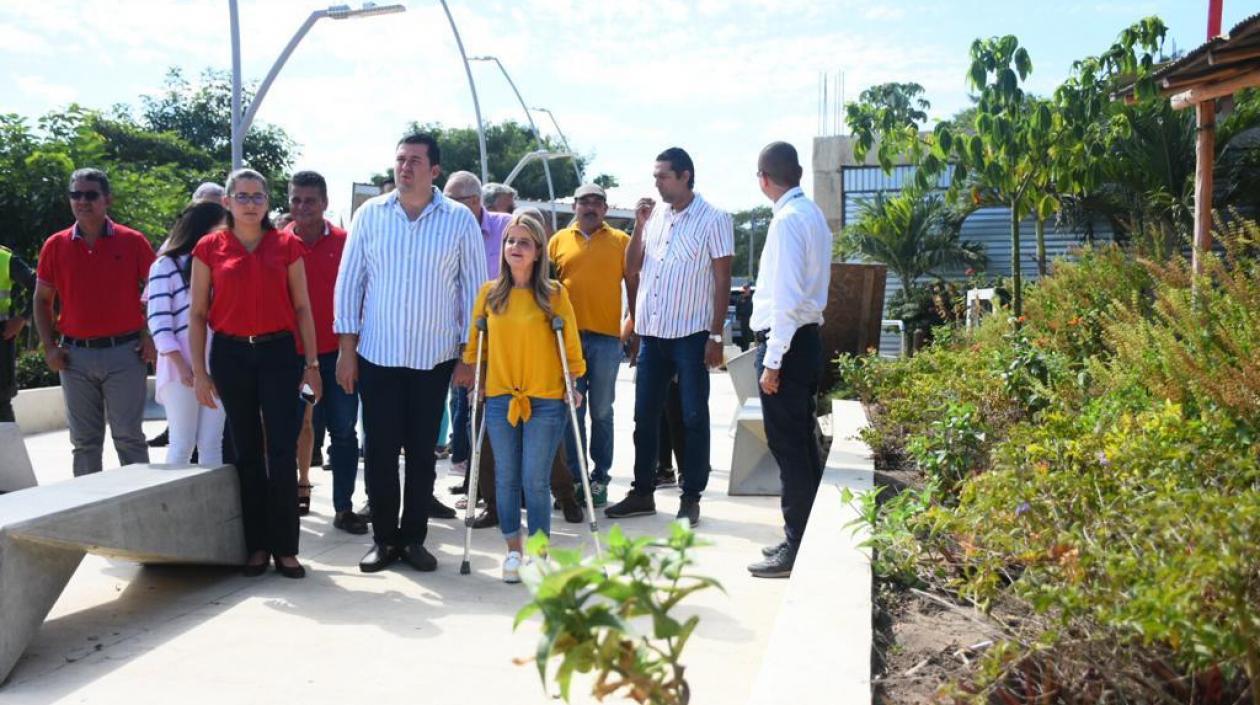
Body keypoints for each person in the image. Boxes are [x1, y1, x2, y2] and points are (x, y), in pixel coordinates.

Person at [334, 132, 486, 574]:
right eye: (400, 159)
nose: (405, 167)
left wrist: (469, 355)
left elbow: (474, 290)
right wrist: (346, 350)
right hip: (377, 354)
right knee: (379, 451)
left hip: (433, 358)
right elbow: (350, 284)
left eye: (415, 160)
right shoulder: (370, 216)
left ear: (434, 169)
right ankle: (384, 540)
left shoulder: (458, 219)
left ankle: (414, 538)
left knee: (422, 454)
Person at [189, 168, 323, 579]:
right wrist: (199, 371)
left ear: (267, 202)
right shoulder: (209, 247)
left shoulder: (286, 245)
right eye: (242, 196)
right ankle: (256, 546)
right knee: (245, 451)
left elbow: (303, 307)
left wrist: (313, 365)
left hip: (279, 353)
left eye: (257, 196)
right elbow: (197, 314)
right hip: (231, 355)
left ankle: (285, 548)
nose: (250, 203)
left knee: (281, 451)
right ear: (227, 202)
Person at [605, 147, 733, 527]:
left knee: (693, 415)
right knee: (644, 416)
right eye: (655, 176)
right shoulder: (655, 216)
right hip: (653, 334)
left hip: (692, 334)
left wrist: (715, 334)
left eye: (663, 176)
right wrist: (640, 226)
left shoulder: (714, 218)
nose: (656, 183)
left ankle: (690, 496)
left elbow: (723, 278)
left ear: (685, 175)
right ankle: (643, 490)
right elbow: (632, 269)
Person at [463, 213, 584, 582]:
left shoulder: (554, 295)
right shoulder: (489, 294)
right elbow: (475, 348)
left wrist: (572, 383)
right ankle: (513, 552)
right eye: (510, 241)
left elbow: (572, 347)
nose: (515, 248)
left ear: (537, 252)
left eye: (524, 242)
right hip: (500, 396)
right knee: (505, 477)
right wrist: (478, 382)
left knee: (535, 479)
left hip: (545, 397)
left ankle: (539, 552)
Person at [33, 168, 157, 476]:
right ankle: (88, 514)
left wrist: (151, 336)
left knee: (129, 437)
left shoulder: (132, 241)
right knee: (85, 443)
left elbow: (158, 292)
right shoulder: (55, 245)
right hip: (74, 356)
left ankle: (142, 508)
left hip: (125, 353)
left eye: (90, 195)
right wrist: (49, 347)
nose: (82, 201)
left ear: (107, 200)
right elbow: (41, 300)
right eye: (76, 195)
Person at [745, 142, 831, 579]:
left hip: (788, 344)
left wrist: (772, 361)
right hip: (806, 340)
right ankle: (807, 536)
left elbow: (786, 300)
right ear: (796, 172)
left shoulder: (786, 221)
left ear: (763, 178)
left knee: (790, 448)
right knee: (801, 443)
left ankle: (797, 545)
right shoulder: (812, 215)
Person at [283, 170, 367, 535]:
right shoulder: (277, 243)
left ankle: (344, 507)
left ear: (325, 204)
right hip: (290, 356)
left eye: (310, 200)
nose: (302, 207)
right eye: (296, 199)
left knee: (344, 433)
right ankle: (288, 499)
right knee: (289, 432)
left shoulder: (347, 243)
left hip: (337, 355)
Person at [548, 183, 630, 508]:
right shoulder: (557, 241)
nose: (591, 207)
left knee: (601, 410)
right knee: (571, 411)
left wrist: (631, 327)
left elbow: (636, 286)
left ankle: (599, 478)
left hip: (607, 340)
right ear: (574, 206)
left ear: (606, 209)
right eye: (585, 202)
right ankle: (574, 479)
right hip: (567, 341)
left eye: (598, 202)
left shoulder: (622, 242)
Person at [145, 201, 228, 466]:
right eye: (221, 228)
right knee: (182, 442)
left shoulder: (220, 265)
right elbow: (158, 321)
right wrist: (182, 366)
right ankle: (174, 506)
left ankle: (212, 507)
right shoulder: (164, 266)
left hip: (217, 362)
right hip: (180, 367)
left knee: (212, 443)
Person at [442, 171, 510, 486]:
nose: (442, 205)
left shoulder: (506, 227)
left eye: (450, 199)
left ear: (473, 201)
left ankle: (498, 488)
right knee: (465, 411)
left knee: (490, 413)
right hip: (452, 335)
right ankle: (475, 481)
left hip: (499, 338)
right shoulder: (442, 228)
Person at [0, 246, 36, 423]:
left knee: (1, 403)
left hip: (2, 337)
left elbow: (39, 285)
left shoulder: (4, 258)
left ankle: (8, 450)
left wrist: (22, 318)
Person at [735, 284, 754, 351]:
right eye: (744, 289)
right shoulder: (740, 298)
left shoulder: (753, 298)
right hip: (743, 320)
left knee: (751, 336)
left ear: (749, 290)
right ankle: (745, 349)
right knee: (744, 335)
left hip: (751, 319)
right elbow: (737, 309)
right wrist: (738, 317)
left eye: (746, 289)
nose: (745, 291)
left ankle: (750, 349)